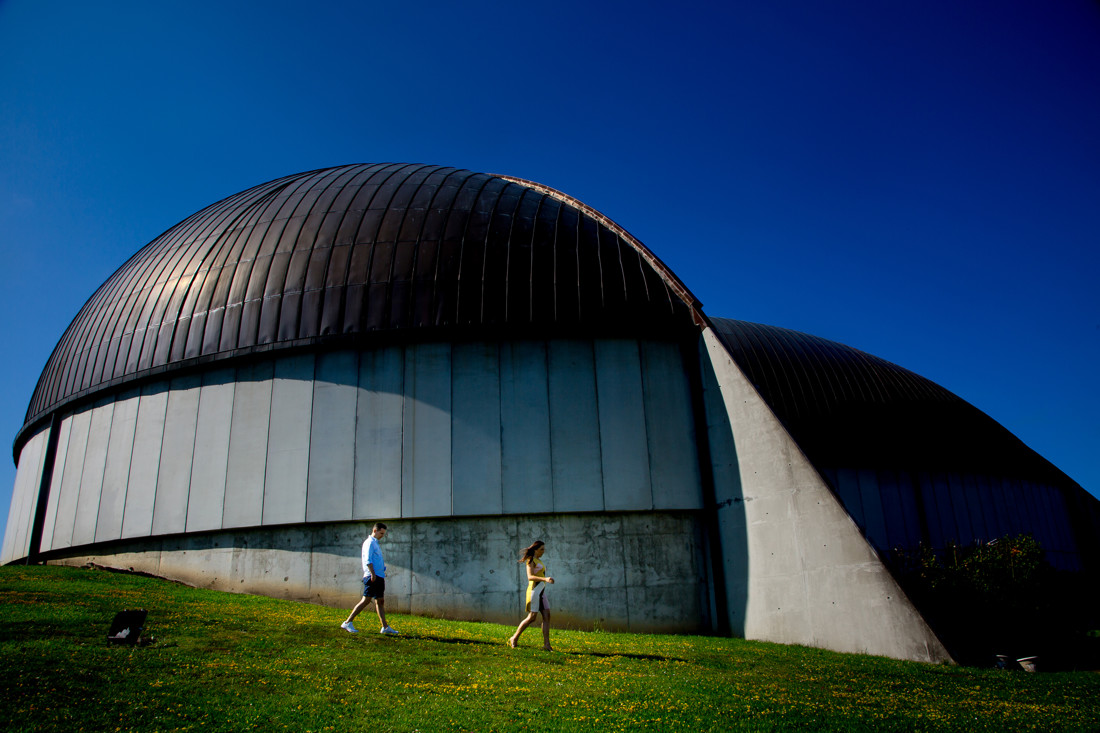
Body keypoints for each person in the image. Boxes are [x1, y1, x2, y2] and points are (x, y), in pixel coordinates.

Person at [341, 522, 399, 635]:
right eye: (381, 533)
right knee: (366, 600)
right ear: (375, 531)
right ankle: (348, 622)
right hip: (372, 576)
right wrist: (372, 574)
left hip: (379, 576)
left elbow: (376, 560)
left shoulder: (375, 543)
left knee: (380, 601)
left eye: (384, 533)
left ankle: (385, 627)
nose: (382, 535)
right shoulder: (369, 543)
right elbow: (368, 560)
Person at [508, 540, 554, 651]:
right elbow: (530, 577)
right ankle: (514, 638)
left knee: (547, 616)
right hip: (534, 591)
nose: (543, 551)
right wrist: (545, 579)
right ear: (535, 550)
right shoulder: (530, 560)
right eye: (541, 549)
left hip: (541, 592)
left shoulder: (539, 560)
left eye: (544, 549)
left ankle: (546, 644)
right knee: (532, 617)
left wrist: (545, 580)